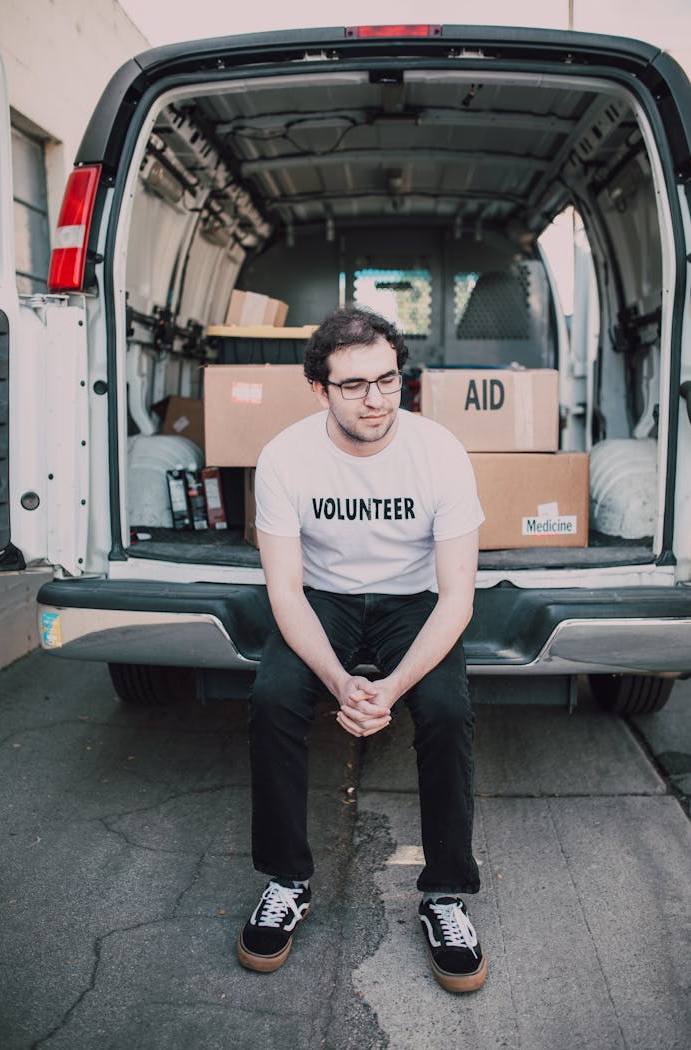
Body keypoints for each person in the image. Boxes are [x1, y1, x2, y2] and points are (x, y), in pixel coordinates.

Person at [236, 306, 486, 993]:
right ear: (320, 390)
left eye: (388, 379)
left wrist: (393, 687)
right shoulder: (286, 457)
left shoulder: (439, 452)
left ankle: (444, 896)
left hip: (414, 601)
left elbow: (457, 597)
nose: (376, 399)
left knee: (444, 707)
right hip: (324, 598)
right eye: (354, 386)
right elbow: (285, 592)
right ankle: (288, 881)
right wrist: (339, 681)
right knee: (275, 696)